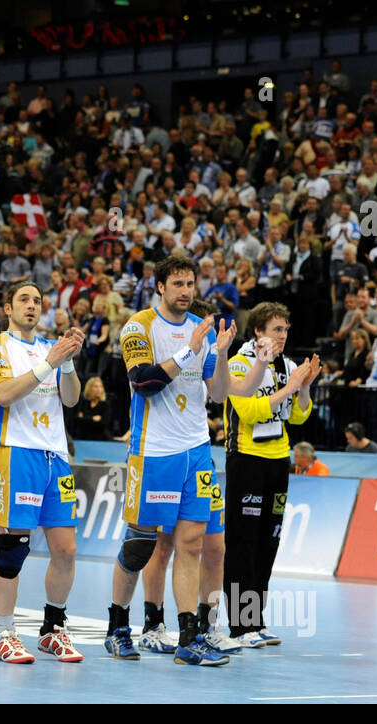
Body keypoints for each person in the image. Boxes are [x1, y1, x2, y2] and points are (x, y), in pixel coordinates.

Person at [106, 256, 262, 667]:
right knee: (141, 546)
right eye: (177, 283)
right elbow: (143, 383)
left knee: (192, 544)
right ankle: (118, 625)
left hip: (197, 452)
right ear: (160, 287)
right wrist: (190, 351)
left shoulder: (204, 330)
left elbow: (217, 393)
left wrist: (221, 352)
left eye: (190, 283)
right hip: (153, 452)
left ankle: (189, 637)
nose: (186, 290)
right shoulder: (138, 326)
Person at [0, 281, 85, 663]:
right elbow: (3, 394)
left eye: (38, 301)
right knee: (14, 548)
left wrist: (66, 362)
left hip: (56, 457)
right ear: (7, 307)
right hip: (17, 454)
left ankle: (53, 628)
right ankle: (5, 633)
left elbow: (70, 399)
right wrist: (50, 363)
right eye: (23, 299)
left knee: (67, 551)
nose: (32, 306)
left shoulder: (48, 348)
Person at [223, 302, 320, 648]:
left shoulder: (288, 366)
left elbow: (297, 418)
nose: (283, 336)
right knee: (242, 543)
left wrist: (304, 386)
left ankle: (255, 621)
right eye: (277, 330)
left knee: (268, 541)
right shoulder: (238, 363)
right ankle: (238, 626)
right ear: (259, 331)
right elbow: (249, 412)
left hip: (279, 460)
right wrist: (289, 387)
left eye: (286, 330)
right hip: (247, 459)